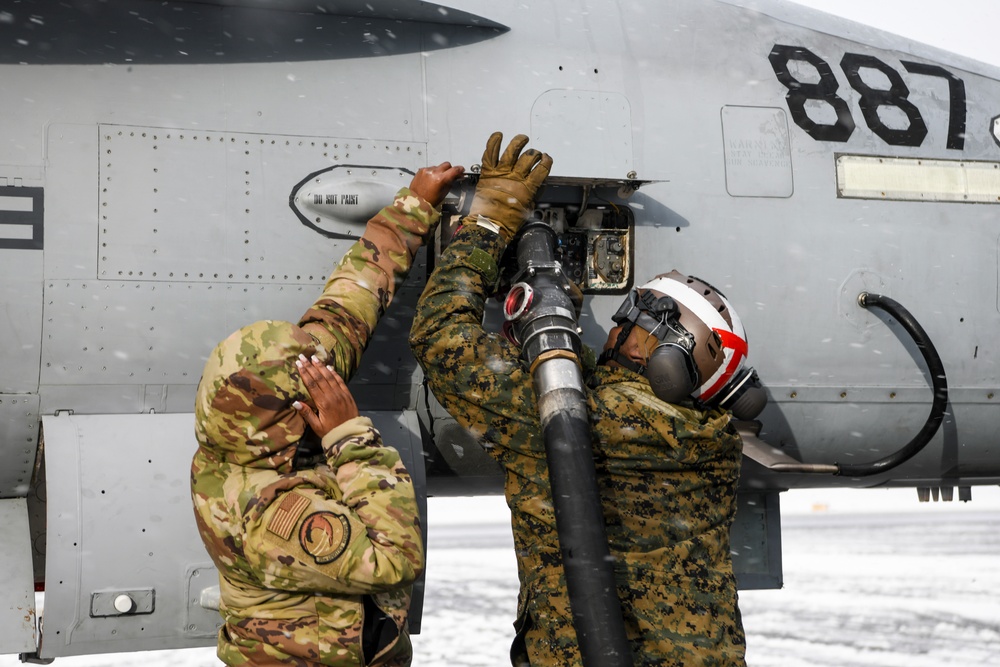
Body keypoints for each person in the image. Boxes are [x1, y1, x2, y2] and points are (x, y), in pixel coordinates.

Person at [409, 132, 763, 666]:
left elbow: (439, 336)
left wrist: (489, 222)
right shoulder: (710, 445)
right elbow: (618, 397)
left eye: (638, 318)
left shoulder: (569, 426)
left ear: (668, 359)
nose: (620, 323)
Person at [191, 161, 465, 666]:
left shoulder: (242, 424)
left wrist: (415, 206)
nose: (324, 372)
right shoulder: (270, 515)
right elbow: (395, 560)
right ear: (290, 413)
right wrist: (348, 436)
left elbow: (345, 307)